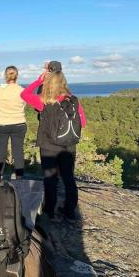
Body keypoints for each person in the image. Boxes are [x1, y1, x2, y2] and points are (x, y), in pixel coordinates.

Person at [21, 67, 86, 222]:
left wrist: (39, 80)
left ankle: (50, 211)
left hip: (49, 146)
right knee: (68, 177)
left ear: (48, 83)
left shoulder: (43, 101)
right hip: (68, 145)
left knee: (50, 179)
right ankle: (70, 212)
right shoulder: (73, 100)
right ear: (64, 82)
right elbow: (82, 122)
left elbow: (24, 94)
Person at [0, 66, 26, 179]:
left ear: (5, 76)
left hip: (1, 123)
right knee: (18, 152)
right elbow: (23, 105)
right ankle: (19, 179)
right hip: (19, 123)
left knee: (1, 152)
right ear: (17, 76)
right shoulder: (22, 90)